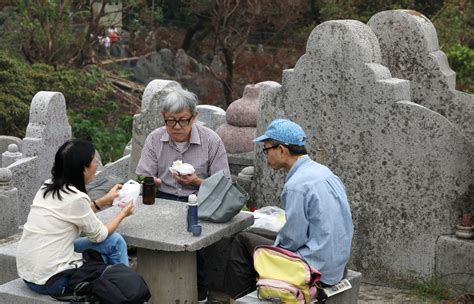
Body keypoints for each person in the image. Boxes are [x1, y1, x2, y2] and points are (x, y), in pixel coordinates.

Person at [224, 119, 354, 299]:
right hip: (335, 264)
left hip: (313, 269)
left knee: (242, 241)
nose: (266, 155)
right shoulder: (324, 172)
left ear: (282, 150)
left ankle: (242, 300)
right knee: (255, 233)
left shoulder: (296, 186)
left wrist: (270, 252)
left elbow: (293, 239)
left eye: (266, 149)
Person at [136, 85, 230, 301]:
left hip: (200, 200)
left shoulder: (211, 140)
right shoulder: (155, 139)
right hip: (163, 198)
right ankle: (150, 289)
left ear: (194, 117)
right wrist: (152, 181)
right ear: (163, 117)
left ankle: (199, 293)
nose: (176, 126)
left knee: (194, 246)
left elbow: (224, 185)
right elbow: (141, 175)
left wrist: (196, 181)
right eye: (170, 120)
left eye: (183, 120)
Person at [16, 139, 134, 298]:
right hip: (52, 279)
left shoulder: (48, 186)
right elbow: (99, 235)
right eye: (94, 162)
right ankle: (128, 291)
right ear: (83, 170)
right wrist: (122, 214)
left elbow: (74, 212)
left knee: (107, 250)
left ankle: (121, 284)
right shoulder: (77, 198)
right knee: (115, 242)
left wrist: (105, 200)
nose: (96, 166)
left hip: (29, 272)